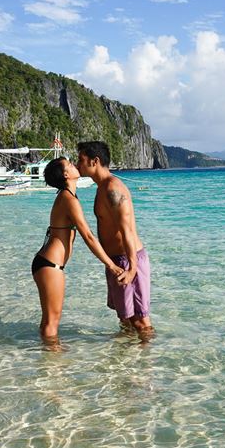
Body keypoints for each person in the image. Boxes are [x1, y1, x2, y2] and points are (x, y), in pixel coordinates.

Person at [33, 157, 124, 345]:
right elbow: (88, 236)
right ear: (66, 174)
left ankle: (48, 360)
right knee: (52, 322)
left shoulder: (68, 196)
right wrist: (111, 265)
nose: (75, 165)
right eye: (71, 165)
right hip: (50, 265)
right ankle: (53, 365)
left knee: (50, 321)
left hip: (48, 263)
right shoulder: (67, 198)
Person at [76, 141, 154, 336]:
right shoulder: (101, 188)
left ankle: (147, 363)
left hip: (129, 259)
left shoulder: (113, 189)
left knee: (140, 321)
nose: (78, 164)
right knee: (125, 318)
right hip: (117, 260)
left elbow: (127, 231)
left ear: (95, 161)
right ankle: (126, 363)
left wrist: (132, 269)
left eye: (81, 160)